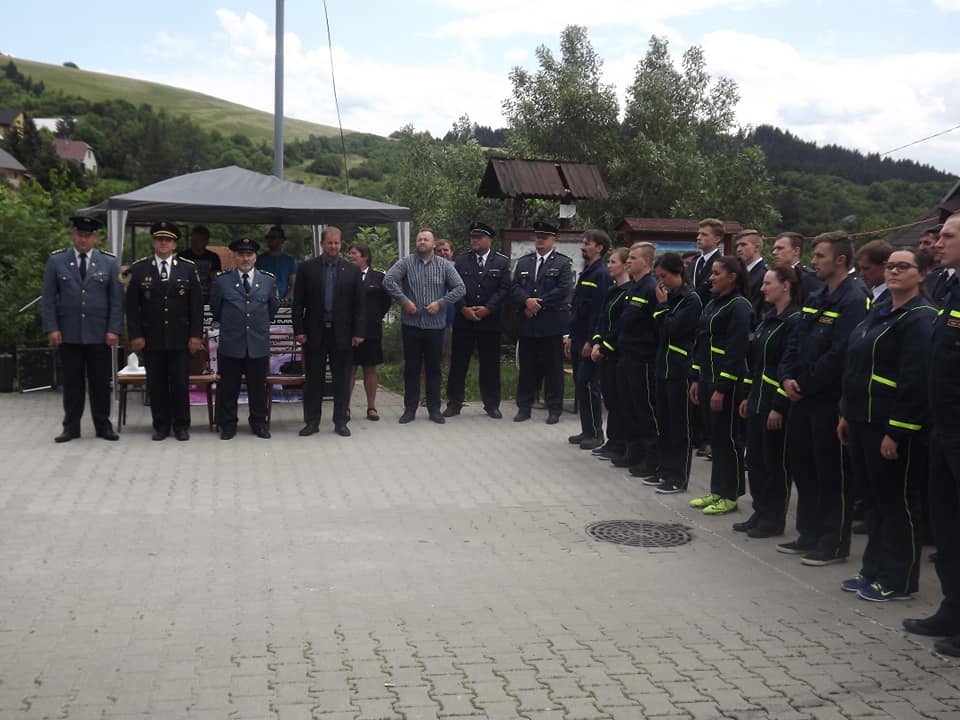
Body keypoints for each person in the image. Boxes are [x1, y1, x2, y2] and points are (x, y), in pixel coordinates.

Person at [838, 247, 936, 601]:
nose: (894, 272)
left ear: (922, 274)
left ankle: (899, 579)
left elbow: (915, 381)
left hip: (890, 425)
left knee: (898, 501)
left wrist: (896, 431)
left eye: (903, 267)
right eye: (891, 266)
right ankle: (873, 569)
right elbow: (855, 366)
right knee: (875, 500)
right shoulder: (880, 310)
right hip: (862, 419)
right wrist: (846, 413)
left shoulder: (920, 318)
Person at [778, 231, 869, 565]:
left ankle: (833, 542)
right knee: (804, 467)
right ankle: (809, 533)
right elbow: (795, 339)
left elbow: (842, 353)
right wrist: (786, 376)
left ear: (840, 260)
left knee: (831, 473)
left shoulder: (854, 299)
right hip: (801, 396)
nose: (813, 261)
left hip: (828, 399)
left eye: (819, 256)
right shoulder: (817, 295)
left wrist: (805, 382)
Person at [903, 213, 960, 655]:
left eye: (948, 236)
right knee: (946, 526)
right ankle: (952, 608)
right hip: (943, 428)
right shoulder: (951, 288)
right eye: (939, 235)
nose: (938, 243)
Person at [42, 214, 123, 443]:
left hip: (99, 333)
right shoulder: (57, 261)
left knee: (100, 383)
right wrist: (52, 328)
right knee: (72, 384)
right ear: (73, 235)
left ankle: (103, 426)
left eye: (88, 235)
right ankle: (71, 427)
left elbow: (117, 300)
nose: (83, 239)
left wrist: (114, 329)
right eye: (80, 234)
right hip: (69, 333)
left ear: (95, 237)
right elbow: (48, 299)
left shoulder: (109, 262)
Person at [736, 266, 803, 536]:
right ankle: (760, 510)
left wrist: (778, 405)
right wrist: (748, 395)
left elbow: (788, 365)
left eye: (768, 283)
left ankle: (774, 519)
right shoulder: (768, 318)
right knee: (755, 460)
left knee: (775, 463)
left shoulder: (794, 320)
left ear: (785, 285)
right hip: (757, 400)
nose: (762, 288)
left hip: (774, 405)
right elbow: (757, 362)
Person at [125, 221, 204, 441]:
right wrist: (136, 335)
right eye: (160, 239)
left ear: (174, 244)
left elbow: (196, 306)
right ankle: (161, 426)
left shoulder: (187, 268)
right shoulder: (140, 268)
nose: (163, 243)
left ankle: (181, 426)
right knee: (157, 384)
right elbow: (132, 306)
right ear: (153, 243)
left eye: (167, 240)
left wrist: (196, 335)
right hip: (152, 337)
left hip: (180, 337)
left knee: (180, 383)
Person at [689, 256, 752, 515]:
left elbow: (737, 350)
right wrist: (696, 377)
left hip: (725, 383)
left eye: (716, 273)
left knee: (728, 439)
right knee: (716, 438)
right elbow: (702, 341)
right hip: (706, 377)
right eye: (711, 273)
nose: (711, 278)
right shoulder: (715, 302)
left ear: (732, 277)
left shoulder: (739, 306)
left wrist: (722, 387)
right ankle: (717, 490)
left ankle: (731, 494)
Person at [383, 228, 465, 424]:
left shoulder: (444, 265)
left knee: (433, 369)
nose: (422, 242)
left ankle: (434, 409)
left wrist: (441, 303)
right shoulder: (406, 262)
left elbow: (460, 288)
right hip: (411, 325)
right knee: (411, 368)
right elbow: (388, 280)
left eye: (426, 239)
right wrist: (403, 300)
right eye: (419, 239)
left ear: (433, 244)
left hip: (435, 326)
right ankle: (410, 409)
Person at [292, 226, 365, 437]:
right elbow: (298, 303)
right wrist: (299, 330)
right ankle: (312, 422)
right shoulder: (307, 268)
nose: (333, 246)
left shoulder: (352, 270)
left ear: (341, 244)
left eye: (336, 243)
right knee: (314, 380)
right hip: (314, 332)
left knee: (341, 380)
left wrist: (358, 332)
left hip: (342, 333)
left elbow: (359, 305)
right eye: (329, 242)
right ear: (322, 244)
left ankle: (341, 421)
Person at [211, 237, 280, 439]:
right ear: (234, 257)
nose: (245, 258)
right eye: (241, 254)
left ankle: (259, 423)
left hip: (257, 343)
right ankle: (228, 424)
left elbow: (272, 308)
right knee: (229, 387)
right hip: (232, 343)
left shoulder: (268, 280)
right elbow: (216, 309)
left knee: (257, 388)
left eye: (249, 254)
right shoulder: (222, 281)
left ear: (255, 257)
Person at [444, 222, 511, 419]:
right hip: (464, 320)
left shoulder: (501, 261)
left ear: (489, 239)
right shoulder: (461, 260)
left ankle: (491, 404)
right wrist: (463, 308)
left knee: (490, 365)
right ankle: (454, 403)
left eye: (478, 237)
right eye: (472, 237)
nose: (474, 240)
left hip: (489, 320)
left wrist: (488, 308)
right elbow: (453, 286)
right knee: (458, 363)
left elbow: (504, 289)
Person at [511, 221, 573, 424]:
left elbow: (563, 289)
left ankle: (554, 408)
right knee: (527, 369)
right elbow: (515, 287)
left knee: (553, 369)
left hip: (551, 324)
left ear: (554, 239)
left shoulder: (562, 263)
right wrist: (526, 301)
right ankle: (524, 407)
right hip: (528, 324)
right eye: (538, 237)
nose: (540, 240)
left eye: (544, 237)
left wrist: (538, 304)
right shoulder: (524, 262)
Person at [652, 252, 702, 494]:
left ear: (678, 273)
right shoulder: (670, 296)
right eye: (659, 277)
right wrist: (663, 308)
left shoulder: (690, 299)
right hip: (662, 366)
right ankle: (664, 468)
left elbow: (672, 330)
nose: (661, 282)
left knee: (679, 425)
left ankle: (678, 476)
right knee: (663, 422)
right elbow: (657, 328)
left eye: (665, 276)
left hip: (680, 368)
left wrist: (662, 307)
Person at [611, 242, 660, 479]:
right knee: (628, 406)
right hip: (626, 355)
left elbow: (656, 325)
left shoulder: (651, 288)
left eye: (633, 258)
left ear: (646, 261)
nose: (628, 261)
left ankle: (651, 458)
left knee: (644, 409)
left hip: (642, 358)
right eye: (628, 257)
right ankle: (633, 451)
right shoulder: (633, 288)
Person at [565, 229, 611, 448]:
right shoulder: (587, 271)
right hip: (578, 337)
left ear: (599, 248)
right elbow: (578, 309)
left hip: (588, 340)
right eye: (583, 243)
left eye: (587, 243)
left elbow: (599, 311)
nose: (583, 246)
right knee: (580, 385)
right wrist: (570, 337)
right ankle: (587, 430)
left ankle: (596, 433)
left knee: (589, 384)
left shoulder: (601, 274)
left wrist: (592, 341)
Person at [590, 248, 631, 459]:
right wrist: (597, 342)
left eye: (613, 262)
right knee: (611, 399)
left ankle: (620, 443)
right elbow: (603, 319)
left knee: (619, 400)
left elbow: (622, 325)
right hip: (605, 352)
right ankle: (612, 440)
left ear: (626, 265)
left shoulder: (629, 292)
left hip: (617, 353)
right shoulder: (613, 290)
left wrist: (605, 347)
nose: (609, 265)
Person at [347, 242, 392, 421]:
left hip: (371, 330)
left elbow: (386, 301)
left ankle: (371, 407)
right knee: (349, 369)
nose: (350, 256)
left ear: (365, 256)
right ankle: (345, 407)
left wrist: (375, 317)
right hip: (350, 330)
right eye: (349, 253)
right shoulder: (345, 275)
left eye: (354, 253)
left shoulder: (379, 277)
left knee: (370, 368)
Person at [771, 231, 823, 299]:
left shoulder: (808, 280)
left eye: (780, 248)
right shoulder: (773, 276)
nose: (774, 252)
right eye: (774, 249)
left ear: (796, 251)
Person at [178, 225, 221, 300]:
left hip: (207, 296)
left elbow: (216, 278)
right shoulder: (182, 256)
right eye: (194, 240)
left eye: (199, 240)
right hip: (186, 295)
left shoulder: (213, 257)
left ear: (206, 241)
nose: (195, 242)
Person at [688, 218, 724, 305]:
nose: (698, 238)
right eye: (699, 234)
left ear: (717, 239)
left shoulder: (722, 264)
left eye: (704, 235)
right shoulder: (694, 262)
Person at [257, 225, 297, 302]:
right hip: (262, 302)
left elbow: (294, 285)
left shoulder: (289, 261)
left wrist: (285, 300)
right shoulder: (259, 260)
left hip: (283, 303)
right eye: (267, 237)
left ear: (282, 240)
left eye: (273, 237)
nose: (269, 239)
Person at [735, 229, 767, 307]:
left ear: (757, 247)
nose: (738, 249)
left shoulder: (764, 275)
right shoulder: (738, 272)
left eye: (743, 245)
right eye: (737, 246)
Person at [856, 239, 892, 306]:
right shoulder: (866, 293)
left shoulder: (893, 298)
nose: (861, 274)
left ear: (885, 266)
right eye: (860, 268)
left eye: (866, 268)